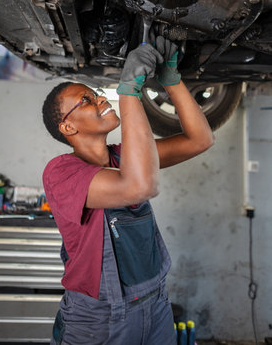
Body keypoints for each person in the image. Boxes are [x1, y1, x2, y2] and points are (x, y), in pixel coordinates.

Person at [42, 35, 214, 345]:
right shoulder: (61, 173)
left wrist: (172, 81)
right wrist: (128, 91)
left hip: (156, 303)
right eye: (86, 100)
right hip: (101, 318)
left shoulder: (124, 156)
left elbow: (200, 140)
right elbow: (139, 186)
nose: (99, 99)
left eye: (95, 93)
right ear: (67, 128)